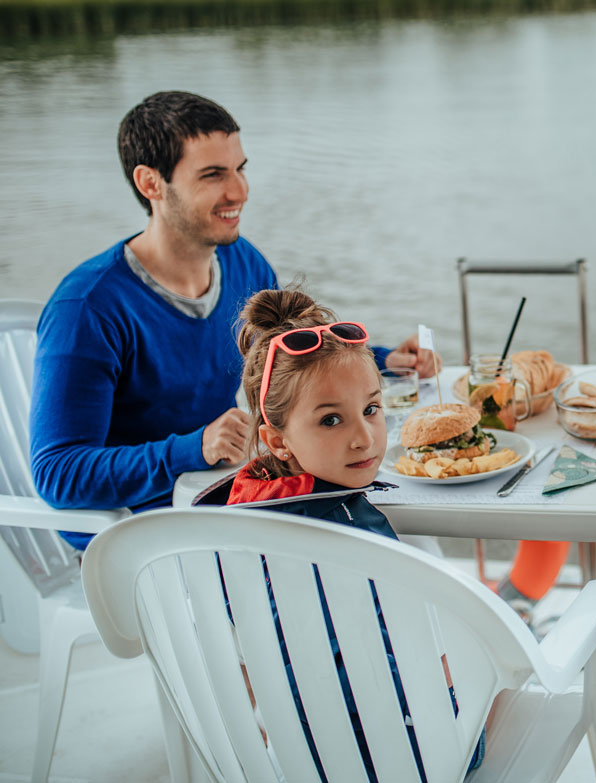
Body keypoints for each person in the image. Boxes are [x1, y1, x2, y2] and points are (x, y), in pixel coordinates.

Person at [29, 91, 437, 548]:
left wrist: (383, 360)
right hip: (138, 544)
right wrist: (195, 447)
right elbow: (57, 472)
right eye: (213, 175)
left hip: (228, 507)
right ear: (151, 183)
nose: (240, 191)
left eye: (240, 169)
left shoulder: (243, 263)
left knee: (410, 540)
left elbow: (286, 358)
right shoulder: (87, 308)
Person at [204, 287, 483, 779]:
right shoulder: (334, 535)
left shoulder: (242, 516)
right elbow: (358, 677)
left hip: (305, 754)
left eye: (371, 409)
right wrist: (445, 678)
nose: (364, 438)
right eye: (331, 420)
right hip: (401, 756)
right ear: (277, 440)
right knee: (496, 670)